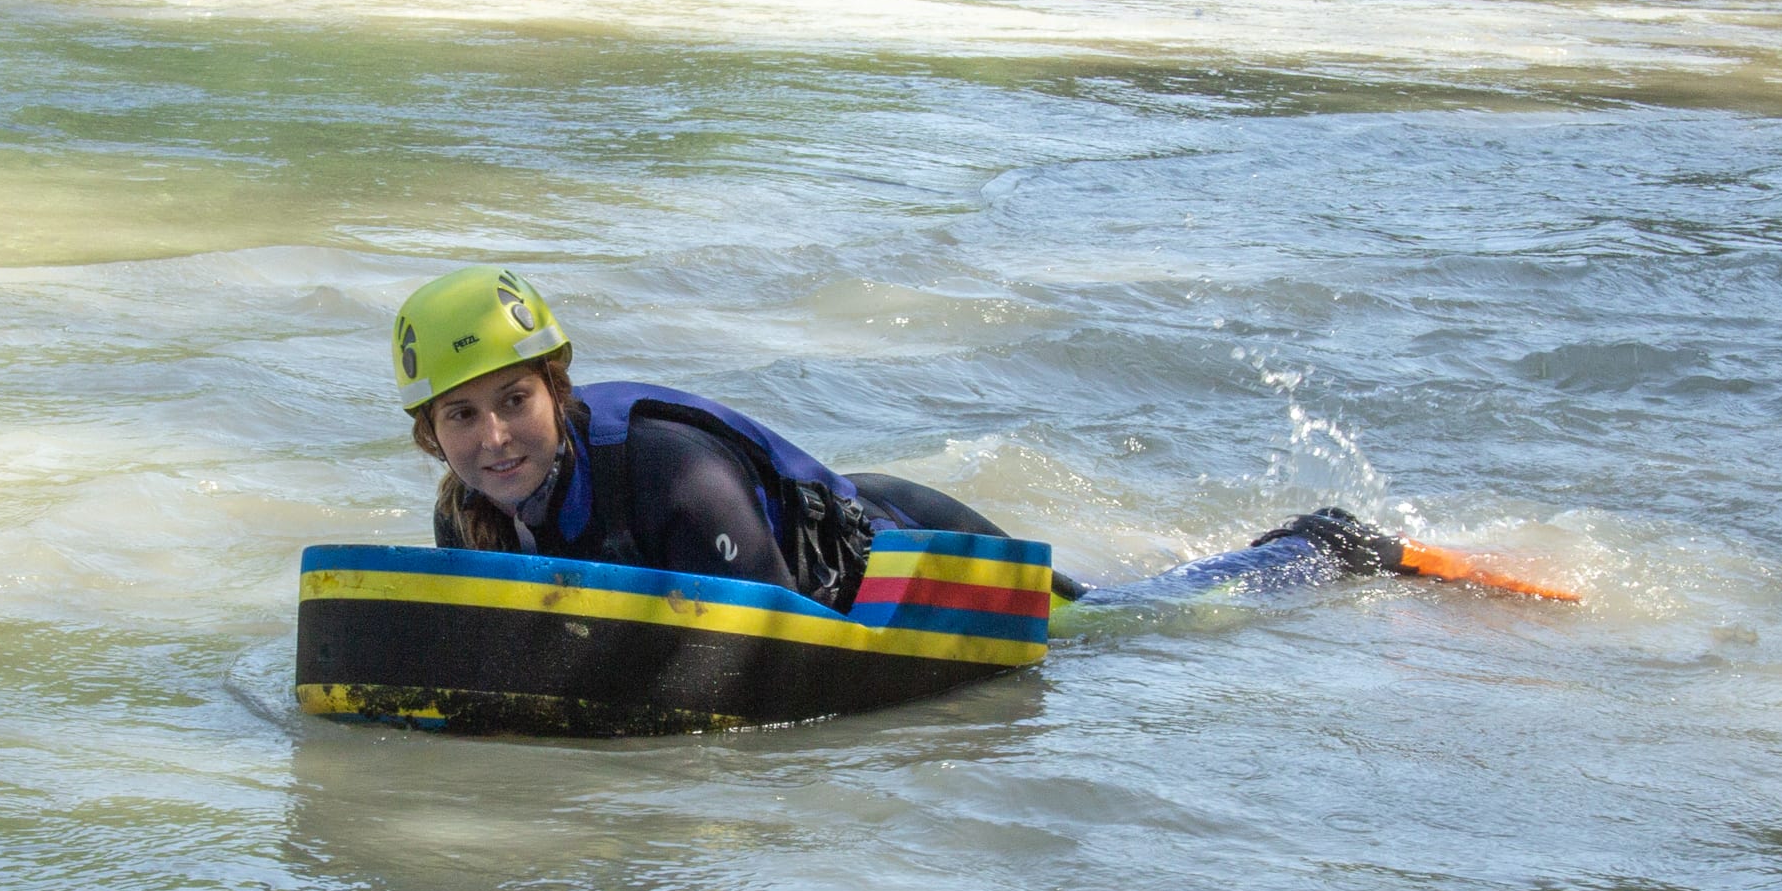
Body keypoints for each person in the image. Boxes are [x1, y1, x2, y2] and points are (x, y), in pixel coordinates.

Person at [390, 265, 1407, 613]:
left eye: (514, 399)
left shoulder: (667, 469)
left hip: (899, 549)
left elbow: (778, 641)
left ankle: (1320, 546)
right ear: (432, 437)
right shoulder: (467, 516)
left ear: (558, 388)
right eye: (461, 415)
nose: (496, 437)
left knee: (1124, 625)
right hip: (831, 535)